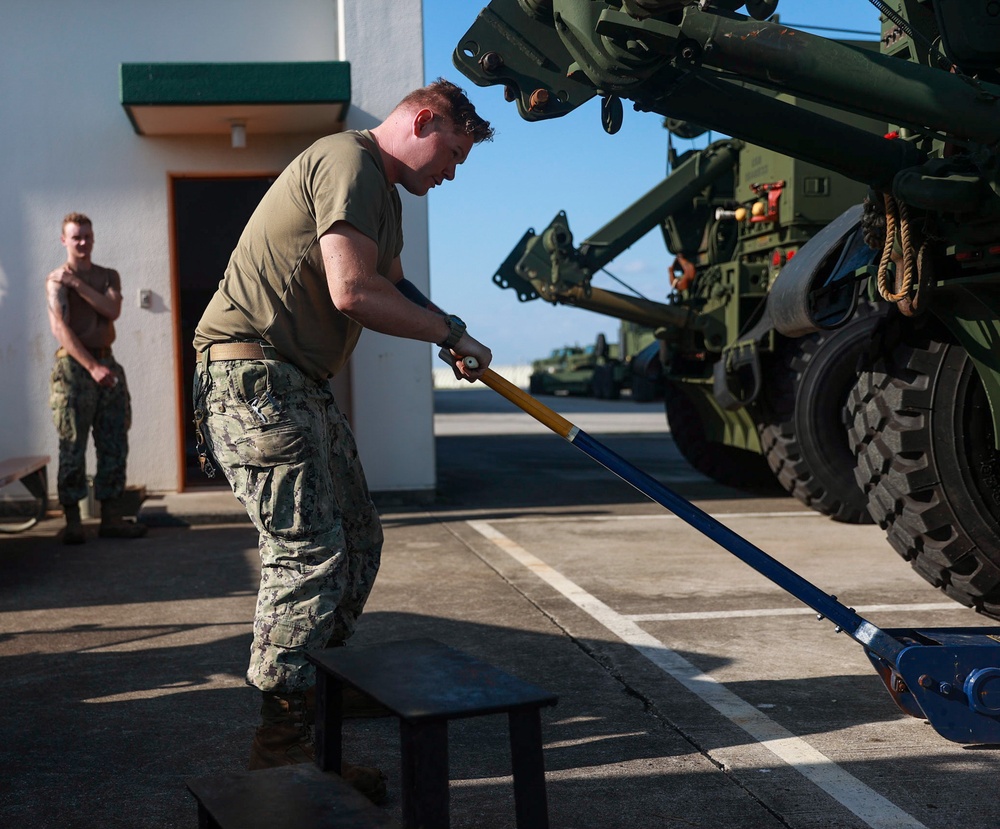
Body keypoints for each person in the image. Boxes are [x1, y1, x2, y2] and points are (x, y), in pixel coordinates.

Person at [191, 79, 494, 802]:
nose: (450, 172)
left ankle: (317, 683)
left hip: (297, 382)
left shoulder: (382, 195)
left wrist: (448, 330)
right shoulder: (348, 161)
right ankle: (282, 744)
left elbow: (393, 282)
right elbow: (353, 290)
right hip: (254, 377)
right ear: (423, 120)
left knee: (358, 540)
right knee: (309, 553)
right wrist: (450, 334)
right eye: (451, 152)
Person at [46, 213, 147, 545]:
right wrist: (91, 367)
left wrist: (78, 284)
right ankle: (73, 521)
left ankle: (111, 517)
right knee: (72, 444)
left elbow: (112, 310)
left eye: (87, 236)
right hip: (75, 369)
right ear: (64, 240)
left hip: (107, 363)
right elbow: (61, 329)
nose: (83, 243)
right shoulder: (56, 281)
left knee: (114, 441)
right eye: (76, 237)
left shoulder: (107, 276)